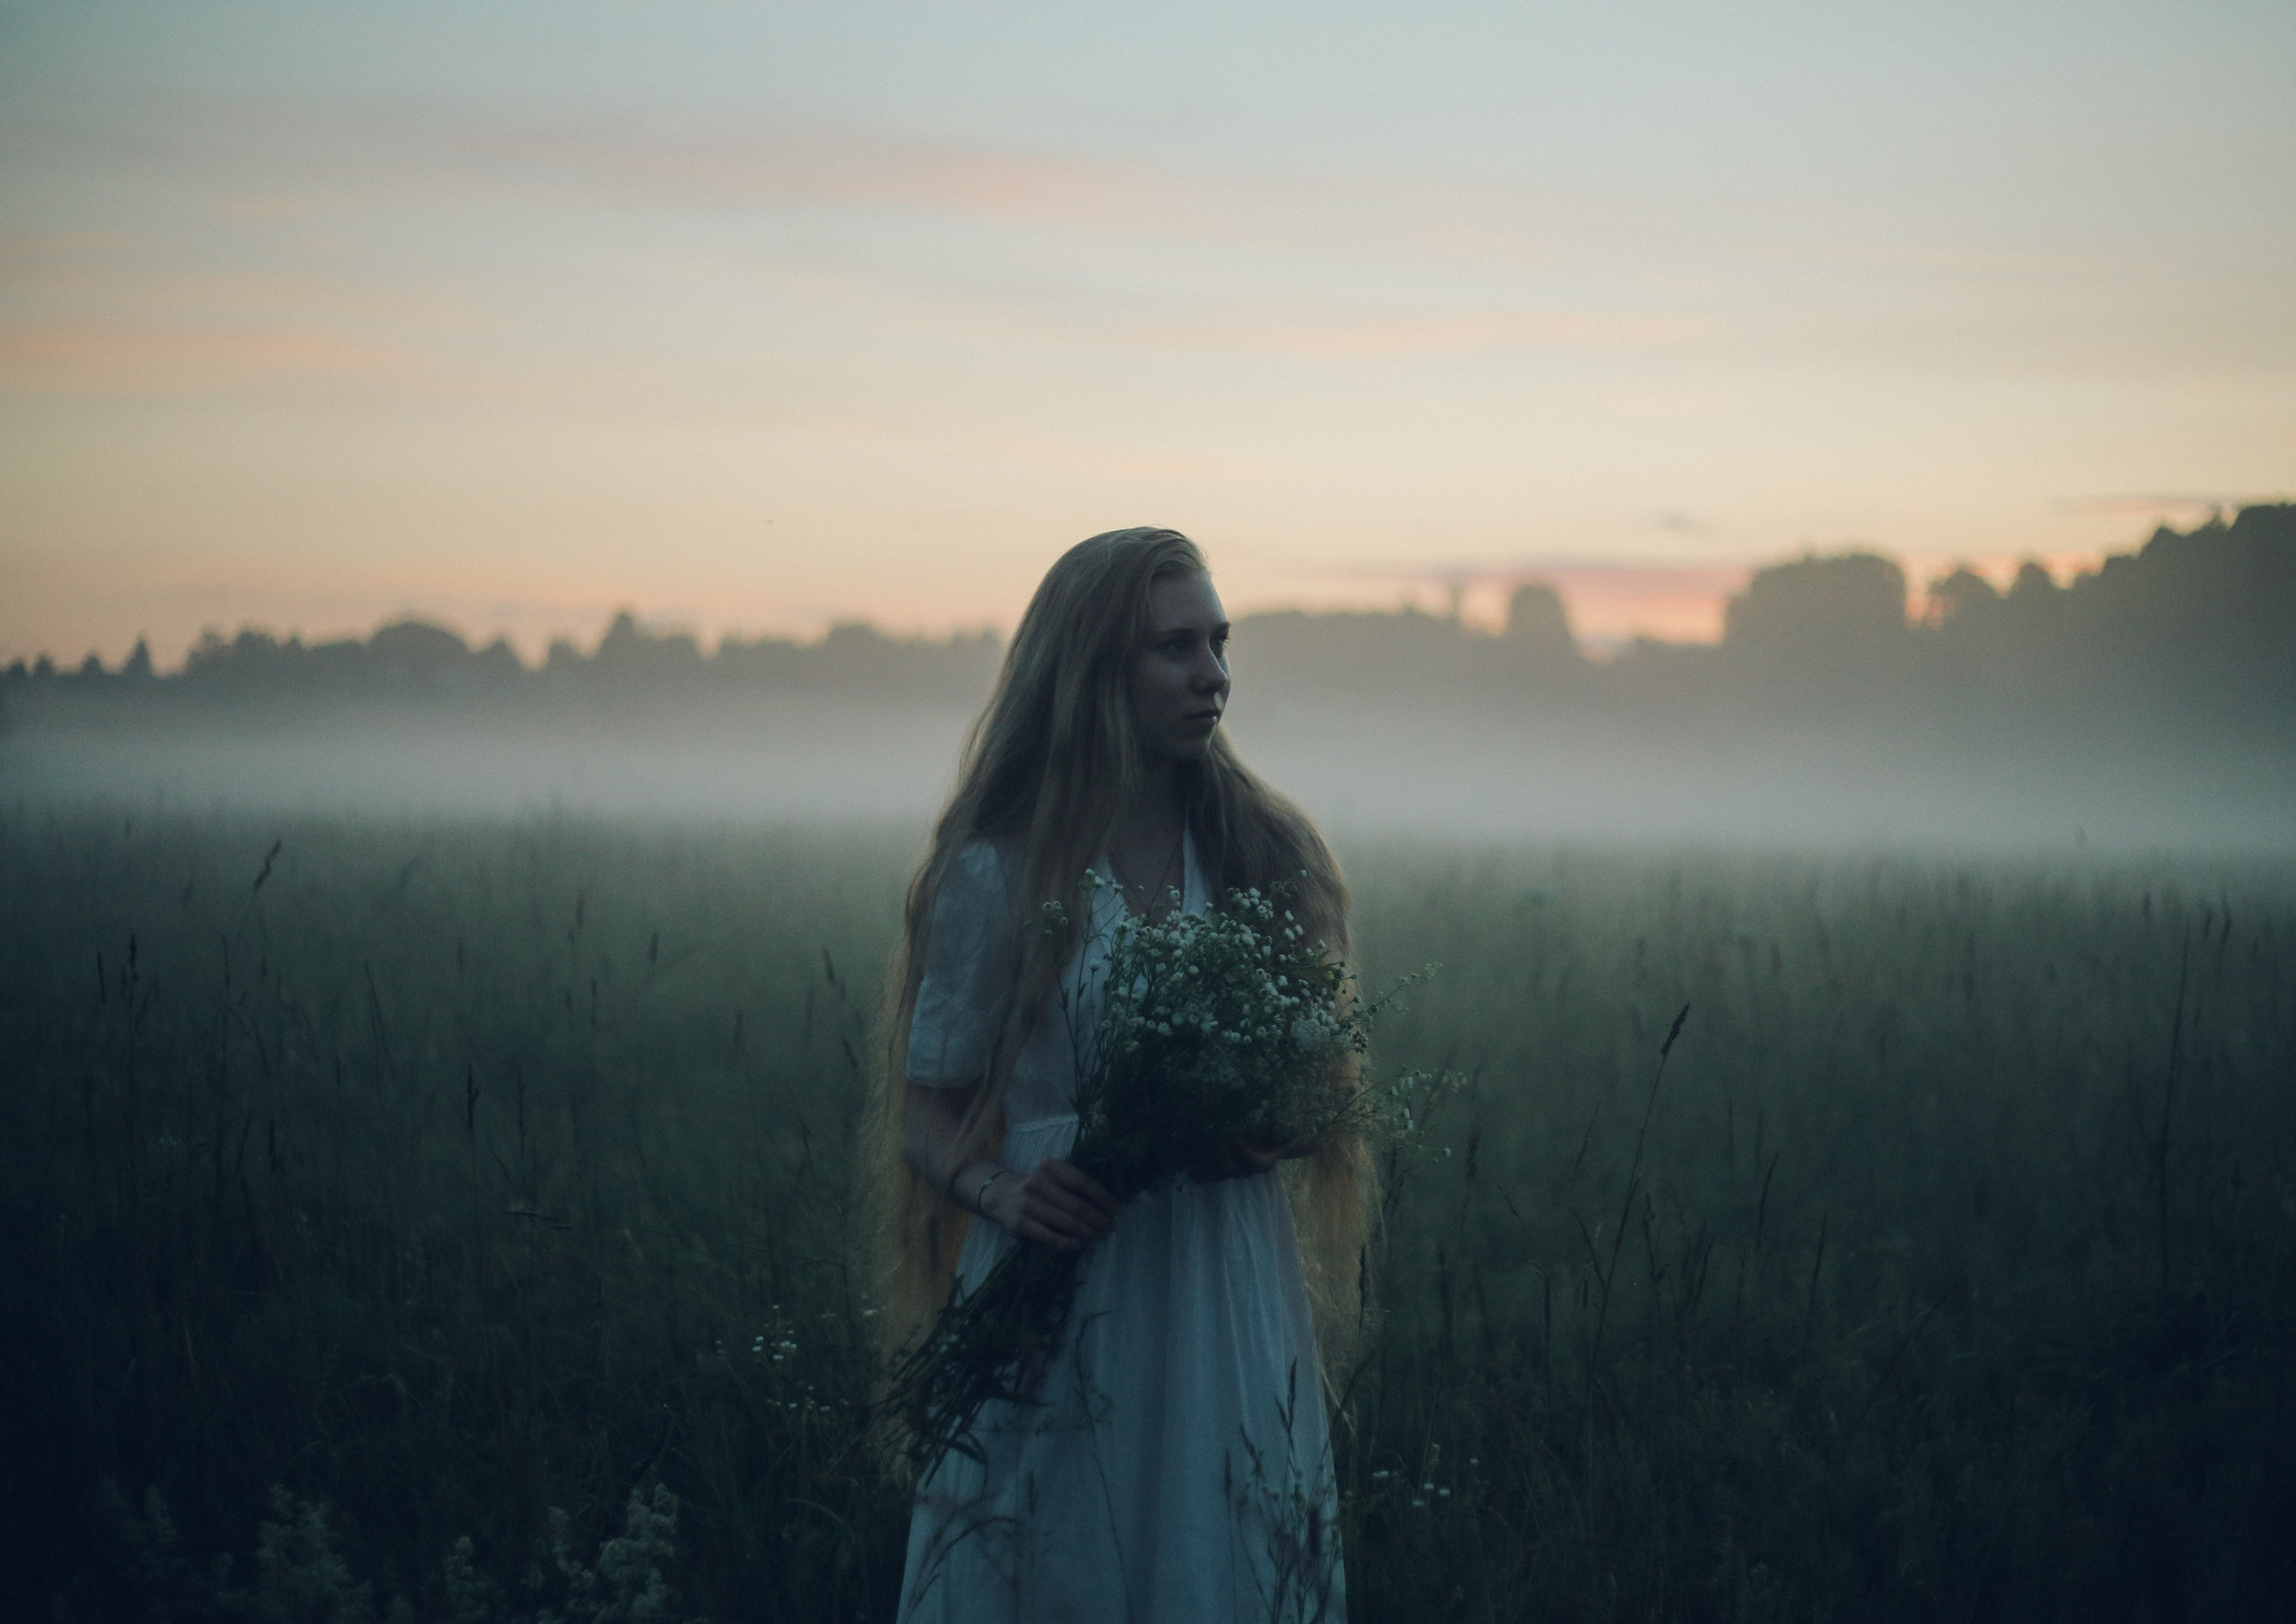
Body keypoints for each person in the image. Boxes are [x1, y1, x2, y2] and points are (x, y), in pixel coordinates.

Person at [869, 526, 1373, 1622]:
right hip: (1060, 1258)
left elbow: (1322, 1075)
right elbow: (928, 1105)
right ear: (1093, 671)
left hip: (1216, 1265)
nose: (1213, 674)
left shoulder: (1264, 850)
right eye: (1174, 648)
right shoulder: (997, 867)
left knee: (1216, 1536)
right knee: (1045, 1545)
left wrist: (1272, 1123)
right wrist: (1000, 1187)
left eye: (1219, 642)